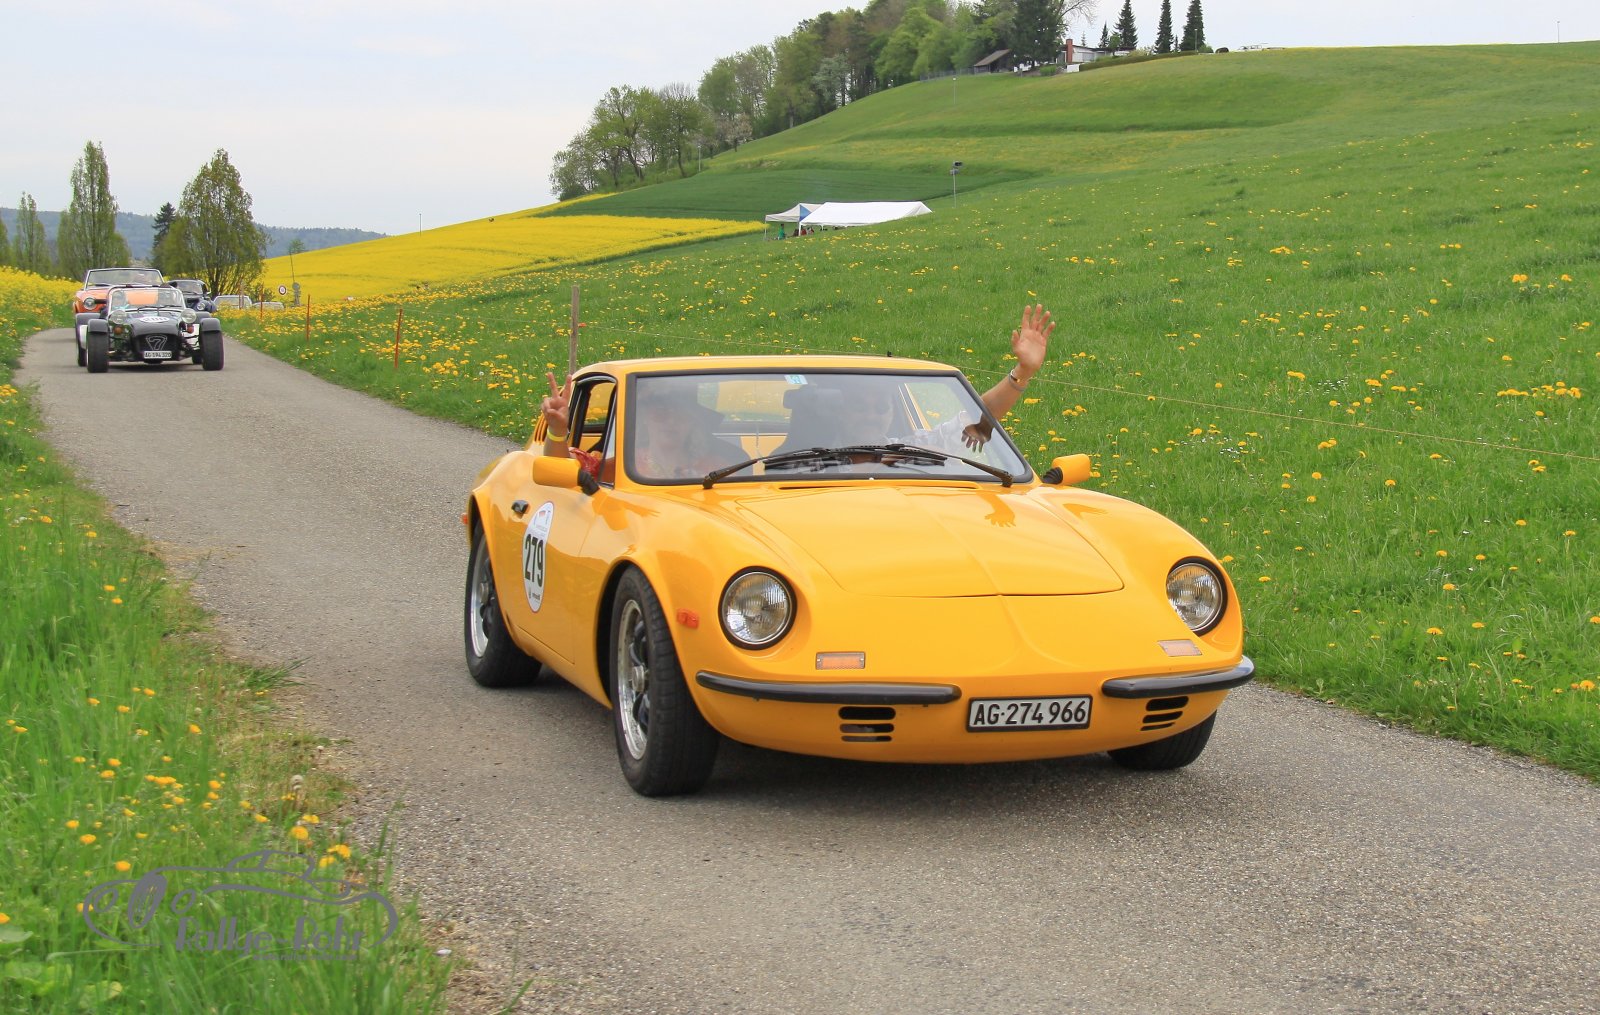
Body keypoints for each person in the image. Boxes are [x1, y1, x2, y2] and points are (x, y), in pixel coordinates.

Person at [540, 372, 744, 481]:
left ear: (693, 421)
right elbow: (558, 465)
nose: (670, 421)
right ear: (645, 418)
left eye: (681, 414)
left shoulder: (718, 468)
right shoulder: (620, 467)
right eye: (660, 413)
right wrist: (557, 431)